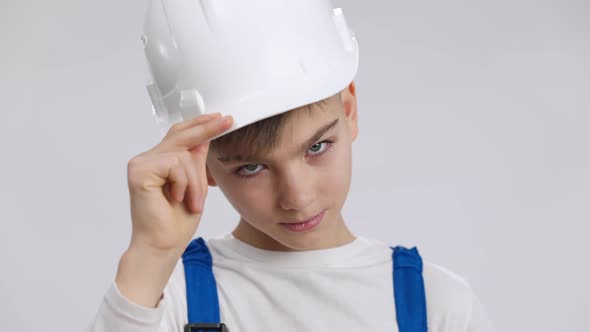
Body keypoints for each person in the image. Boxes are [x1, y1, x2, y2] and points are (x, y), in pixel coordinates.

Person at [89, 1, 495, 331]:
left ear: (350, 110)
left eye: (317, 146)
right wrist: (150, 255)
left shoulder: (438, 307)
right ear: (204, 163)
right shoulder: (164, 298)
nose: (297, 198)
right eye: (251, 168)